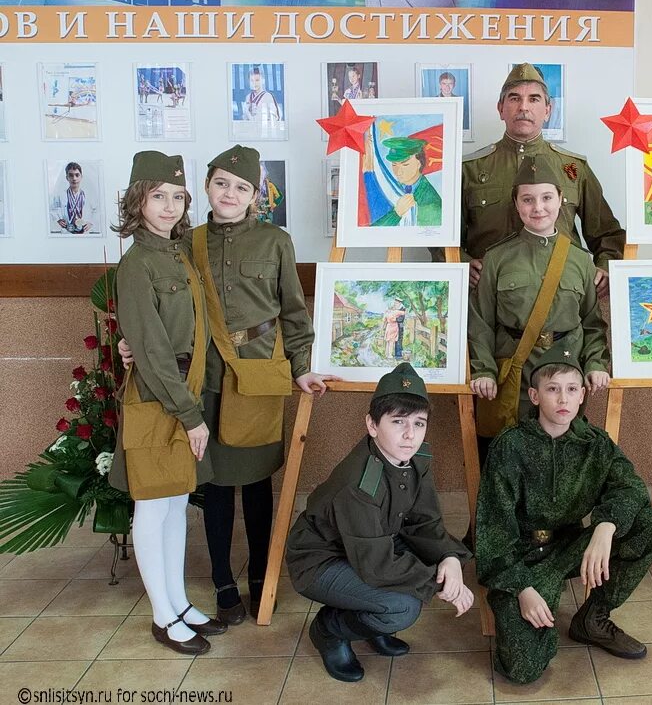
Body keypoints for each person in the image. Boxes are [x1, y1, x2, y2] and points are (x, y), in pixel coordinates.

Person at [120, 145, 332, 623]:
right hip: (204, 380)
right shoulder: (184, 242)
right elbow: (164, 313)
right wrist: (127, 342)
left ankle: (261, 577)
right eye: (220, 183)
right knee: (212, 485)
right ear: (208, 187)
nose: (230, 194)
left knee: (256, 483)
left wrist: (300, 366)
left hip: (258, 375)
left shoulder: (276, 241)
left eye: (241, 187)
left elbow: (294, 313)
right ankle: (222, 582)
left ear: (255, 195)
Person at [476, 344, 652, 684]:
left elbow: (631, 488)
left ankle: (593, 618)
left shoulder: (594, 442)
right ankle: (529, 607)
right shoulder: (510, 446)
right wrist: (522, 588)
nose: (562, 399)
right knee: (523, 670)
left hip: (568, 547)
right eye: (552, 389)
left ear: (582, 395)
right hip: (521, 559)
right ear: (534, 396)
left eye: (570, 389)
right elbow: (492, 532)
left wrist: (605, 526)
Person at [286, 363, 473, 683]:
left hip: (371, 540)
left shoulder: (417, 457)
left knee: (416, 573)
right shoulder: (359, 484)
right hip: (320, 559)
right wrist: (439, 581)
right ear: (372, 425)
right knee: (402, 606)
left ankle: (370, 621)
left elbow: (424, 522)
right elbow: (377, 566)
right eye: (397, 421)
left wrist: (449, 557)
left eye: (419, 422)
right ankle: (329, 629)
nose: (409, 434)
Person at [109, 151, 227, 655]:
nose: (170, 206)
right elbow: (154, 352)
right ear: (138, 200)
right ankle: (162, 615)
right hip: (160, 399)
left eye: (178, 197)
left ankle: (178, 602)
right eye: (158, 196)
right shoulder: (135, 263)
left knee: (177, 502)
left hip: (184, 389)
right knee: (154, 505)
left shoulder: (176, 254)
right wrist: (190, 414)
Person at [468, 155, 610, 456]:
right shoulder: (497, 259)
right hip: (514, 375)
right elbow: (480, 321)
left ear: (561, 199)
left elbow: (592, 323)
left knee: (561, 459)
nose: (538, 208)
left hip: (564, 376)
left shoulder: (580, 261)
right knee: (507, 455)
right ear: (517, 204)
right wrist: (484, 371)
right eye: (528, 199)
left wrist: (596, 363)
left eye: (547, 197)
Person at [443, 63, 625, 297]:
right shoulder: (469, 169)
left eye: (534, 99)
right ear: (500, 108)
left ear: (548, 109)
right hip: (489, 297)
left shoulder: (573, 168)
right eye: (514, 98)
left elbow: (607, 233)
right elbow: (441, 235)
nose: (524, 107)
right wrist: (461, 263)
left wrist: (604, 268)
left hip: (562, 295)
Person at [365, 136, 442, 227]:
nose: (398, 172)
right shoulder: (392, 188)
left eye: (405, 164)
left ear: (419, 164)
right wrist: (396, 213)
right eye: (394, 165)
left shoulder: (430, 201)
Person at [50, 161, 99, 234]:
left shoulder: (88, 195)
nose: (74, 178)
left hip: (84, 232)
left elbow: (98, 210)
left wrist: (91, 222)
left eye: (77, 175)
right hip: (67, 231)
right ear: (67, 178)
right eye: (71, 175)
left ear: (81, 177)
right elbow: (52, 209)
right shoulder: (60, 195)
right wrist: (58, 220)